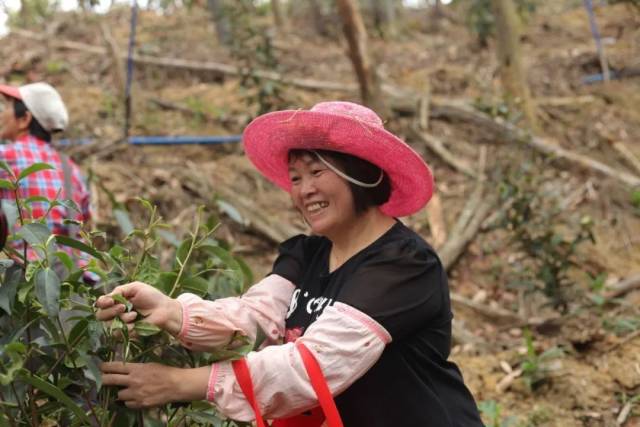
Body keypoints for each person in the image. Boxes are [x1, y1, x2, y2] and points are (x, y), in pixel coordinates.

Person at [96, 101, 483, 426]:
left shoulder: (403, 265)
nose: (304, 190)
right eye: (296, 178)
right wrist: (171, 311)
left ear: (362, 175)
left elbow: (313, 365)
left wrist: (182, 383)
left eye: (317, 172)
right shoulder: (308, 253)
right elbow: (254, 318)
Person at [0, 82, 91, 263]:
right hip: (77, 271)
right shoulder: (71, 168)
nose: (1, 114)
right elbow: (85, 221)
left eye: (6, 107)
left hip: (28, 271)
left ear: (24, 119)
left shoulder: (5, 156)